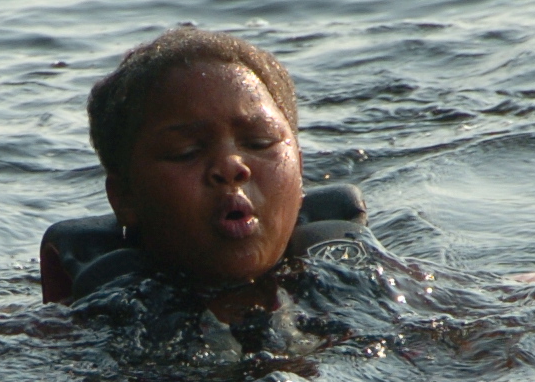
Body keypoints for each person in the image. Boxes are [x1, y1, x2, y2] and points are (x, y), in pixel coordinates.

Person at [41, 26, 365, 317]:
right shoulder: (78, 324)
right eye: (186, 152)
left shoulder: (368, 283)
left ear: (299, 171)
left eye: (260, 142)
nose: (231, 166)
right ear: (124, 197)